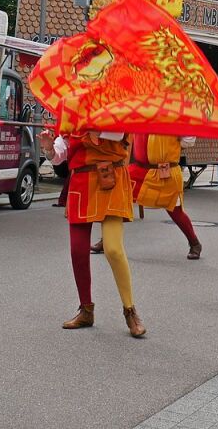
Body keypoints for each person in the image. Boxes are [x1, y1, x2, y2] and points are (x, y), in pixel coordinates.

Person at [40, 128, 145, 337]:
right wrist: (50, 148)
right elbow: (61, 154)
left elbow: (116, 135)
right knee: (77, 252)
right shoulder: (71, 112)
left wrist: (87, 131)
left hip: (111, 178)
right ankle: (86, 310)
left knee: (114, 249)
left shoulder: (118, 106)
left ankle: (130, 310)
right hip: (81, 182)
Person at [123, 134, 203, 259]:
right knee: (117, 200)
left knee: (175, 210)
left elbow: (189, 140)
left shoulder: (176, 117)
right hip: (139, 170)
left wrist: (171, 143)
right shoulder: (141, 115)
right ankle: (108, 240)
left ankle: (194, 243)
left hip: (166, 171)